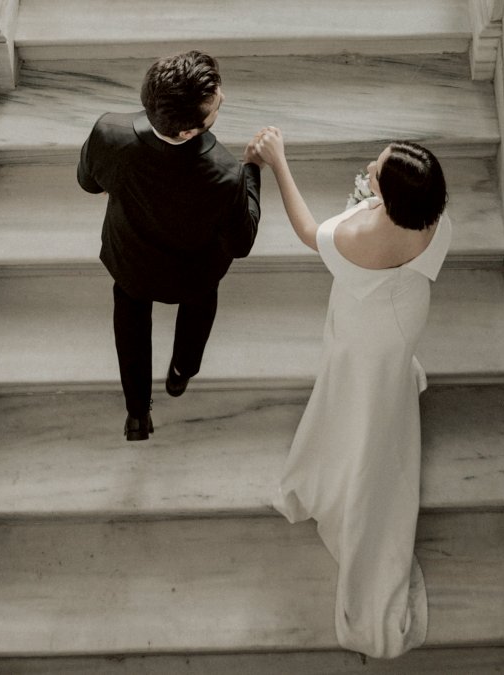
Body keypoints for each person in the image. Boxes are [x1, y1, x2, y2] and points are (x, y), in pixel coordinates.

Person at [253, 128, 451, 659]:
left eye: (377, 171)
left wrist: (279, 162)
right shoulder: (435, 219)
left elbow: (307, 231)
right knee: (385, 379)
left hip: (367, 331)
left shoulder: (361, 238)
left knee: (357, 391)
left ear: (391, 197)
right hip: (406, 314)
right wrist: (373, 201)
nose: (368, 166)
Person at [77, 51, 264, 441]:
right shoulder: (226, 174)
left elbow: (89, 182)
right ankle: (180, 374)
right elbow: (240, 242)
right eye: (214, 107)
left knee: (129, 321)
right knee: (199, 310)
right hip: (194, 274)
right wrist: (253, 173)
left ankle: (136, 415)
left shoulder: (108, 132)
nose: (223, 99)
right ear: (187, 132)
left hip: (131, 260)